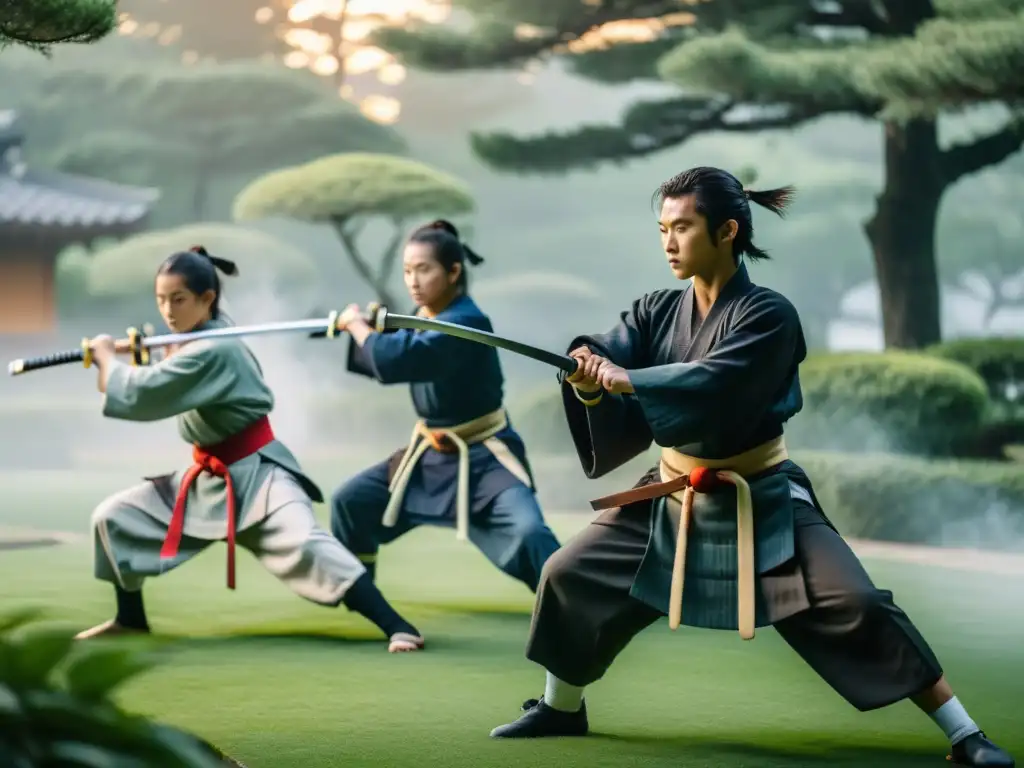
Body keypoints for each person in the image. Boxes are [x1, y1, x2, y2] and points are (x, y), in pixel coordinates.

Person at [487, 168, 1014, 768]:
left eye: (682, 227)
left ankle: (964, 734)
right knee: (569, 572)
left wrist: (629, 380)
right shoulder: (658, 308)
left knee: (857, 603)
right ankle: (562, 706)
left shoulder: (770, 315)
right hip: (672, 490)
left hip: (760, 492)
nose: (668, 242)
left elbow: (716, 383)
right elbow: (611, 350)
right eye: (662, 228)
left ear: (727, 230)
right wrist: (589, 375)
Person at [76, 245, 424, 653]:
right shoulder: (201, 335)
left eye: (179, 299)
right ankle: (130, 619)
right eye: (161, 300)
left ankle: (398, 626)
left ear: (207, 299)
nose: (168, 310)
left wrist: (105, 358)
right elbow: (165, 370)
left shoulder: (213, 349)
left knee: (309, 544)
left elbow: (142, 394)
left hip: (259, 475)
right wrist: (146, 352)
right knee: (114, 517)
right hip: (209, 481)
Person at [330, 219, 562, 649]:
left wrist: (357, 326)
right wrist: (365, 326)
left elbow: (395, 363)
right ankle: (368, 599)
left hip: (486, 456)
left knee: (530, 533)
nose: (413, 282)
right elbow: (385, 355)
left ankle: (581, 601)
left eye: (424, 270)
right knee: (351, 503)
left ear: (454, 272)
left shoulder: (465, 322)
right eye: (407, 271)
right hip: (429, 454)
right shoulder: (420, 318)